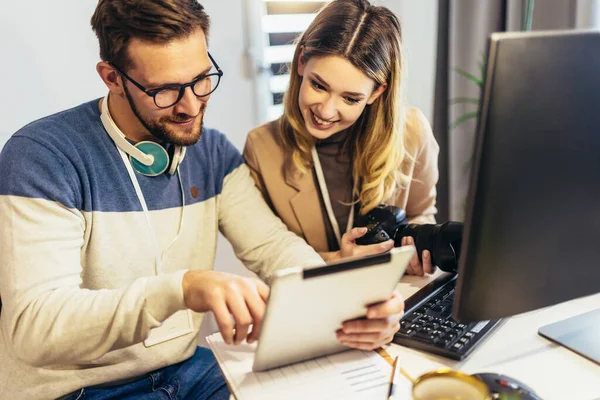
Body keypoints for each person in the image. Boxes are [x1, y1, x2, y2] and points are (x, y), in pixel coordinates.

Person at [0, 1, 405, 399]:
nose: (191, 106)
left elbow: (272, 247)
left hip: (186, 370)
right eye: (165, 91)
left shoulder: (211, 153)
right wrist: (182, 289)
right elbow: (36, 329)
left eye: (200, 79)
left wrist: (350, 307)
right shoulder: (42, 156)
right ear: (112, 78)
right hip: (75, 389)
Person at [244, 0, 440, 277]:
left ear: (375, 93)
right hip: (312, 302)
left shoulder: (413, 131)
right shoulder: (261, 147)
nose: (325, 111)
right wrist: (337, 259)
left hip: (393, 293)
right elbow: (265, 252)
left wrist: (414, 250)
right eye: (318, 85)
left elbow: (422, 213)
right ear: (301, 62)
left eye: (350, 98)